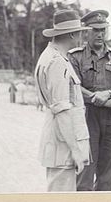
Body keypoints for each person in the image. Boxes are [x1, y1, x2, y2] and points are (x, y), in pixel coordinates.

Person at [68, 9, 111, 191]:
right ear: (86, 31)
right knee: (85, 175)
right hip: (87, 118)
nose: (100, 34)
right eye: (95, 30)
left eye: (103, 30)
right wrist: (96, 98)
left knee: (108, 178)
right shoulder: (76, 57)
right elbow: (73, 88)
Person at [34, 10, 91, 192]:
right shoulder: (57, 62)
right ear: (73, 34)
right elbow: (62, 110)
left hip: (59, 141)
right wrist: (75, 150)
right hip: (63, 145)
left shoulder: (51, 56)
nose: (82, 36)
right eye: (80, 32)